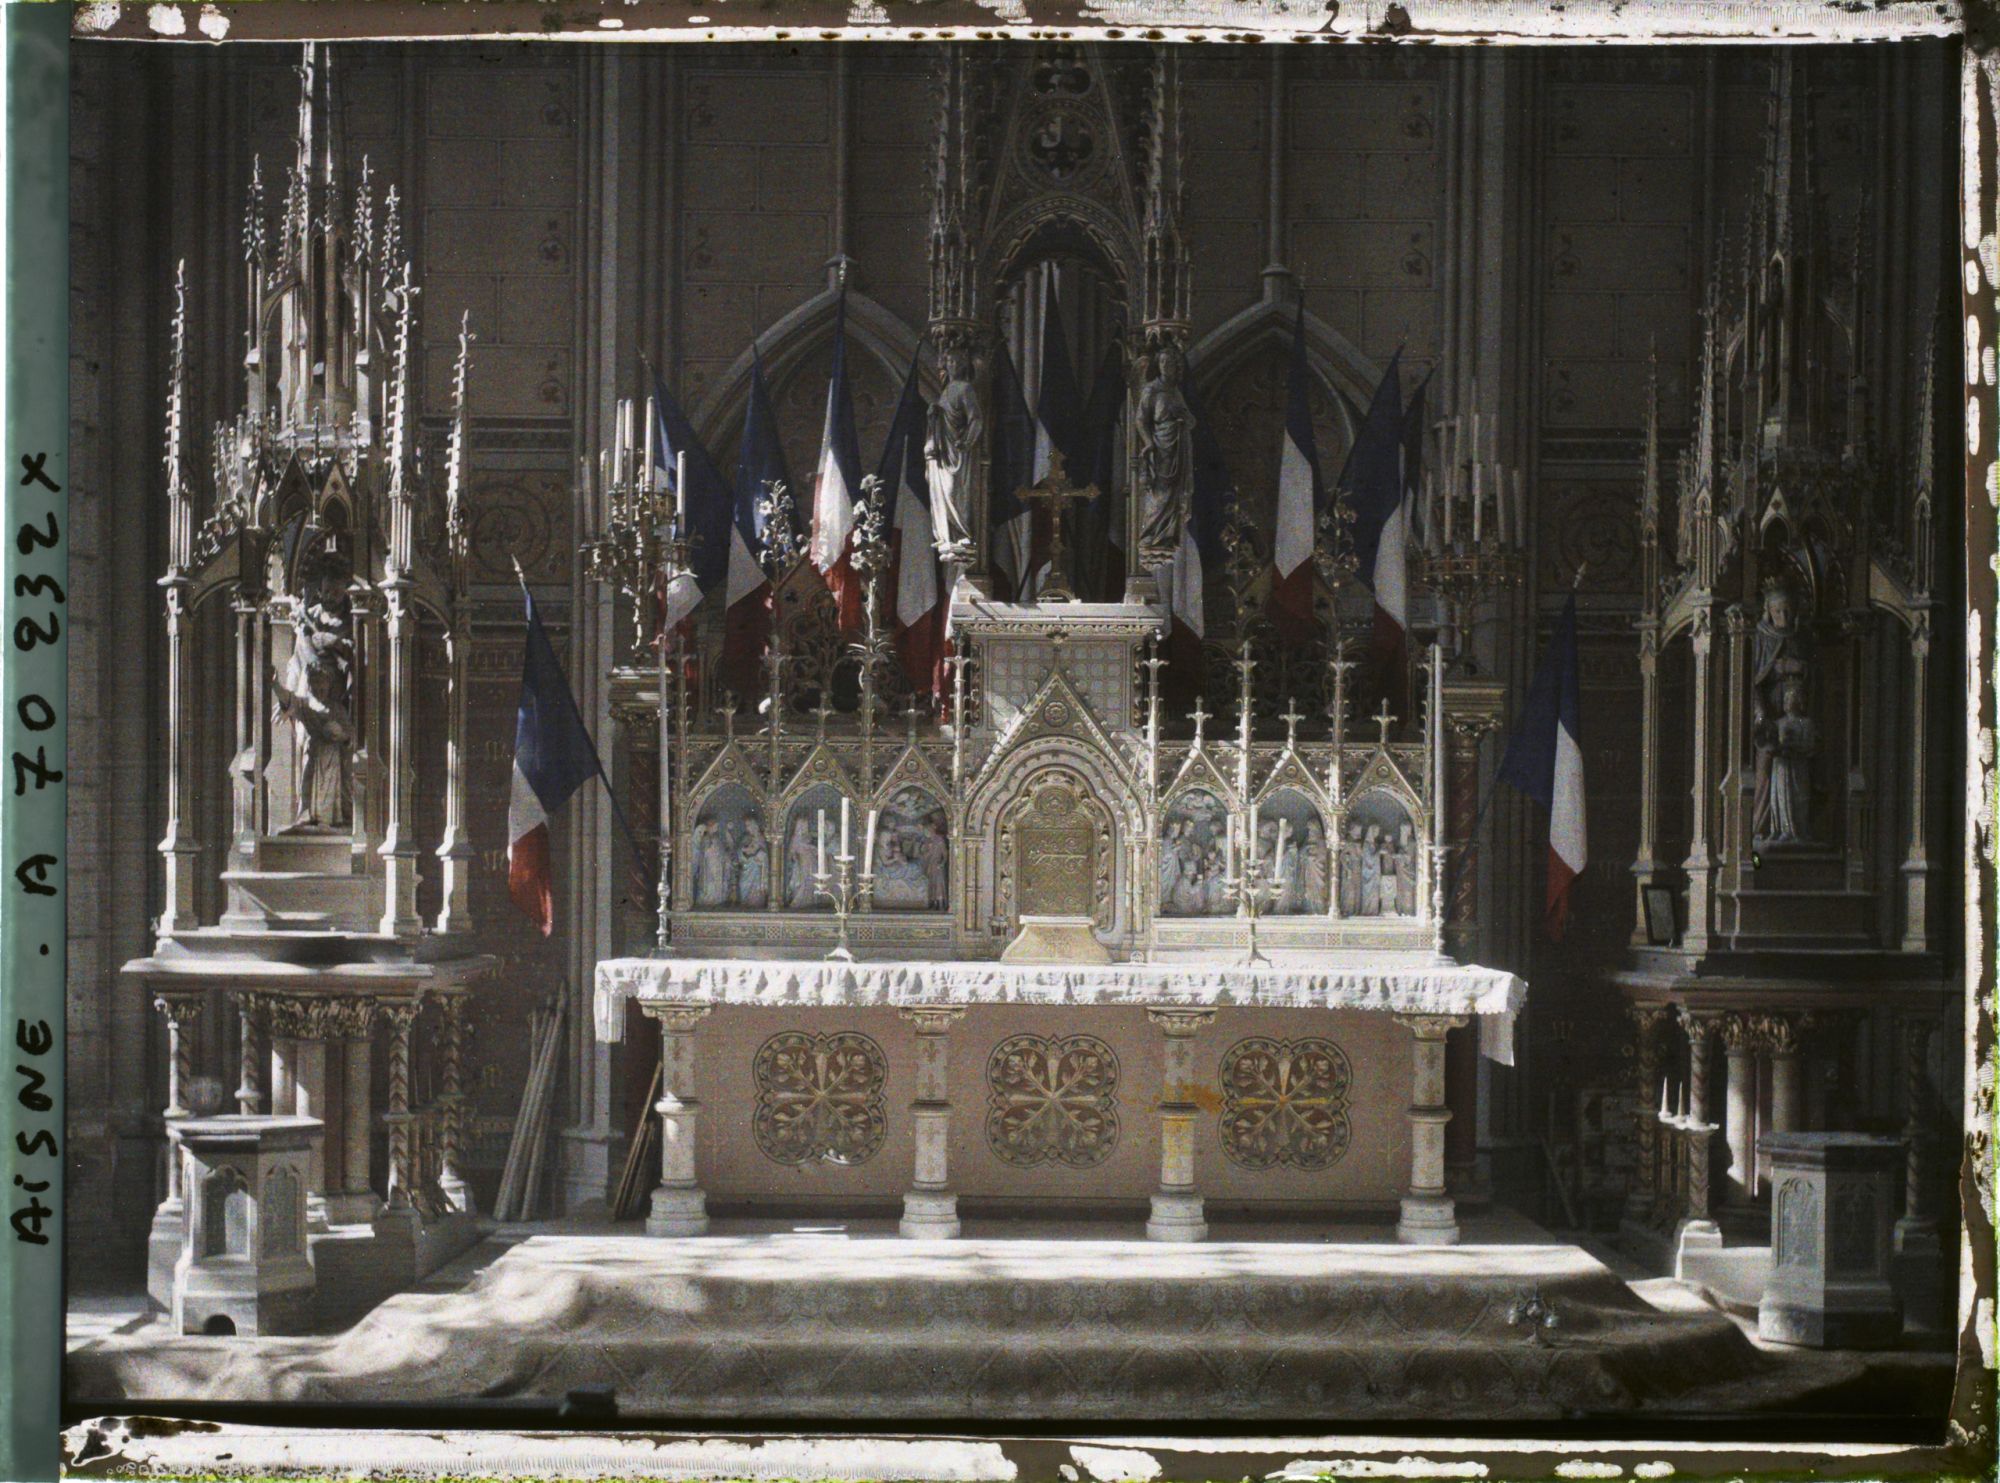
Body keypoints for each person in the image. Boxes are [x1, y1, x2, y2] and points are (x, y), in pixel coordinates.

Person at [737, 816, 769, 910]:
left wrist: (757, 856)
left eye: (748, 826)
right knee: (743, 884)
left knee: (755, 892)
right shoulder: (746, 838)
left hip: (757, 872)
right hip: (747, 868)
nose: (747, 828)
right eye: (746, 826)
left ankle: (756, 905)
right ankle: (744, 905)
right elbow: (740, 852)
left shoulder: (761, 839)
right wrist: (743, 853)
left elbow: (765, 856)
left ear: (754, 826)